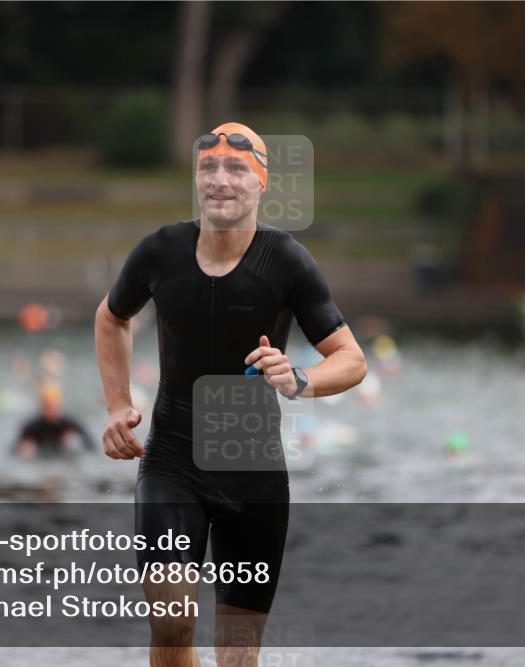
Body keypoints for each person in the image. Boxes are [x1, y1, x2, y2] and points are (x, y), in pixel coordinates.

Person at [95, 122, 366, 666]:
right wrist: (119, 405)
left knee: (237, 654)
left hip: (253, 472)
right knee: (171, 619)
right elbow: (111, 317)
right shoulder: (160, 252)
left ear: (262, 183)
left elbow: (352, 359)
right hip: (171, 460)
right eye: (208, 169)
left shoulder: (287, 262)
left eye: (237, 169)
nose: (221, 180)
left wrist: (299, 379)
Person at [13, 383, 96, 458]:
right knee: (28, 451)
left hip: (60, 451)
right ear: (41, 406)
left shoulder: (66, 422)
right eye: (47, 407)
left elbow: (87, 439)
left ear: (59, 405)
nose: (51, 410)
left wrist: (89, 453)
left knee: (69, 442)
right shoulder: (33, 426)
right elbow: (15, 448)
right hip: (41, 453)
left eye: (54, 406)